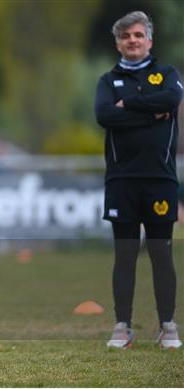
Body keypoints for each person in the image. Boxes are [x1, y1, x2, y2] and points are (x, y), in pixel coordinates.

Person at [95, 11, 183, 349]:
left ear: (149, 40)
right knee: (126, 254)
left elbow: (172, 100)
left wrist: (129, 105)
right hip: (121, 180)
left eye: (138, 35)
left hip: (160, 178)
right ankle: (122, 326)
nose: (132, 40)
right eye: (125, 36)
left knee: (161, 254)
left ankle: (168, 326)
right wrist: (151, 113)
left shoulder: (167, 74)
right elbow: (105, 115)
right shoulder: (107, 80)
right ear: (118, 43)